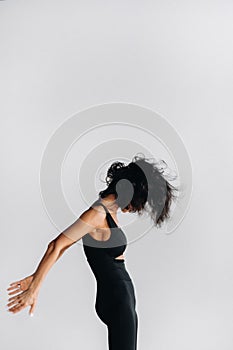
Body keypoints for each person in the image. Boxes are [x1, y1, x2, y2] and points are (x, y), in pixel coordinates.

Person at [6, 153, 179, 350]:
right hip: (117, 298)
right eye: (138, 201)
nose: (136, 208)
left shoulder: (108, 211)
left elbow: (64, 246)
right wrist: (34, 288)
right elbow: (56, 245)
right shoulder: (97, 214)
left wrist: (37, 275)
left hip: (118, 296)